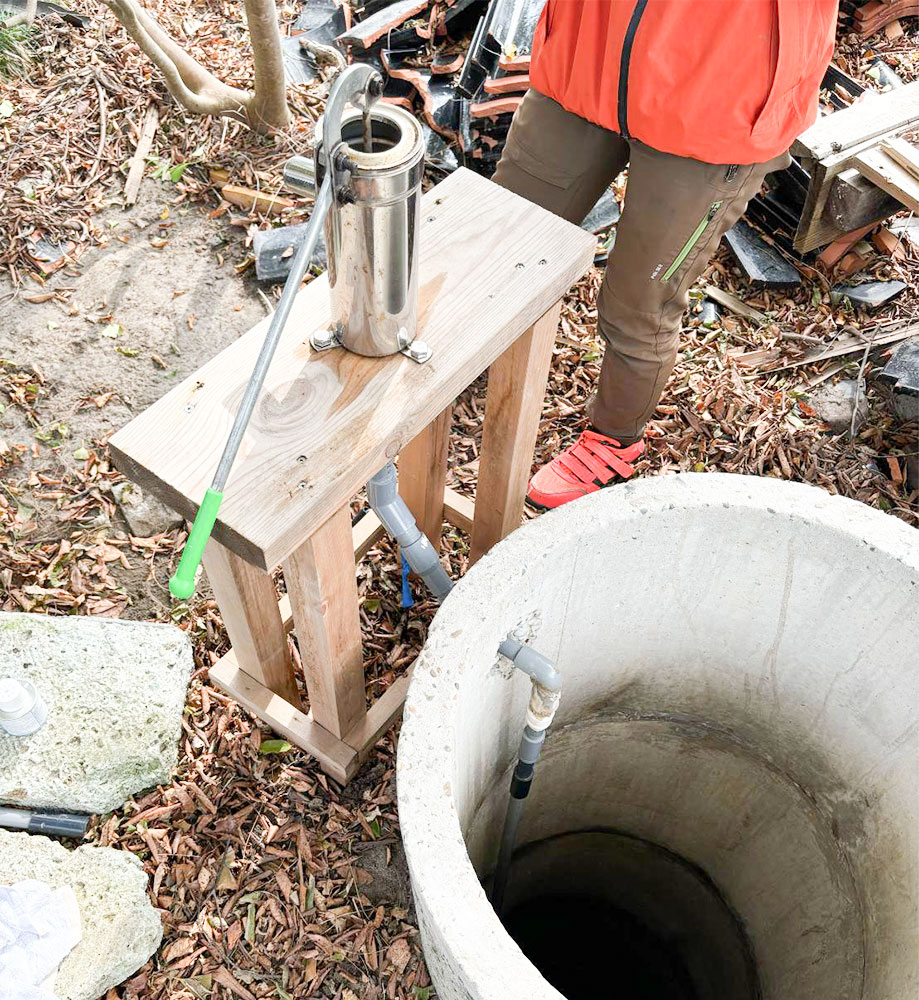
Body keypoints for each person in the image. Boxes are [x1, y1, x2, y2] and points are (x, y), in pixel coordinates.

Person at [493, 0, 839, 510]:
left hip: (719, 98)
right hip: (587, 55)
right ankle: (472, 360)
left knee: (638, 302)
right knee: (503, 237)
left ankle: (614, 438)